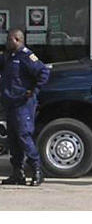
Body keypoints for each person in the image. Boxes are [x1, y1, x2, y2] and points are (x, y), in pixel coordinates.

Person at [0, 28, 50, 186]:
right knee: (13, 140)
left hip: (23, 105)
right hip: (10, 104)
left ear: (17, 40)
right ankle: (17, 173)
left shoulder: (27, 56)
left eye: (9, 39)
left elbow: (43, 72)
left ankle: (37, 170)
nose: (7, 42)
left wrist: (34, 90)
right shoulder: (9, 57)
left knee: (24, 136)